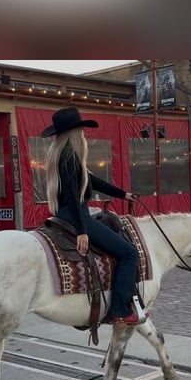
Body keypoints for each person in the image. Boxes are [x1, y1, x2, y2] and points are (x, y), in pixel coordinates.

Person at [42, 107, 142, 325]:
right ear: (75, 132)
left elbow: (94, 182)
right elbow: (72, 195)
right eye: (81, 131)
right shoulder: (69, 157)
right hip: (76, 215)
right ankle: (120, 310)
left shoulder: (63, 156)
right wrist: (82, 231)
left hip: (64, 214)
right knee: (129, 253)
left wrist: (124, 194)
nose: (84, 136)